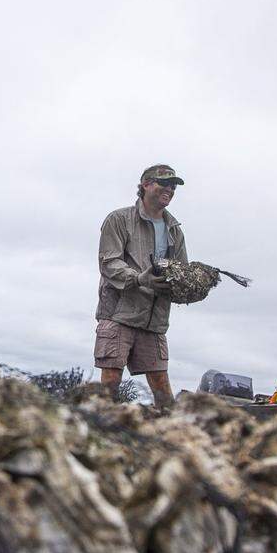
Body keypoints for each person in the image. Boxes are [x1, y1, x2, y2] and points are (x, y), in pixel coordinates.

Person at [95, 165, 188, 405]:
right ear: (146, 184)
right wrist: (139, 278)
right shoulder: (119, 219)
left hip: (154, 321)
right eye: (163, 183)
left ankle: (167, 436)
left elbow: (181, 271)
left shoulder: (174, 230)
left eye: (173, 186)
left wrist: (190, 285)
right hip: (119, 315)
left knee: (163, 392)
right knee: (110, 386)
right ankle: (104, 433)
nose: (169, 189)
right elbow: (109, 263)